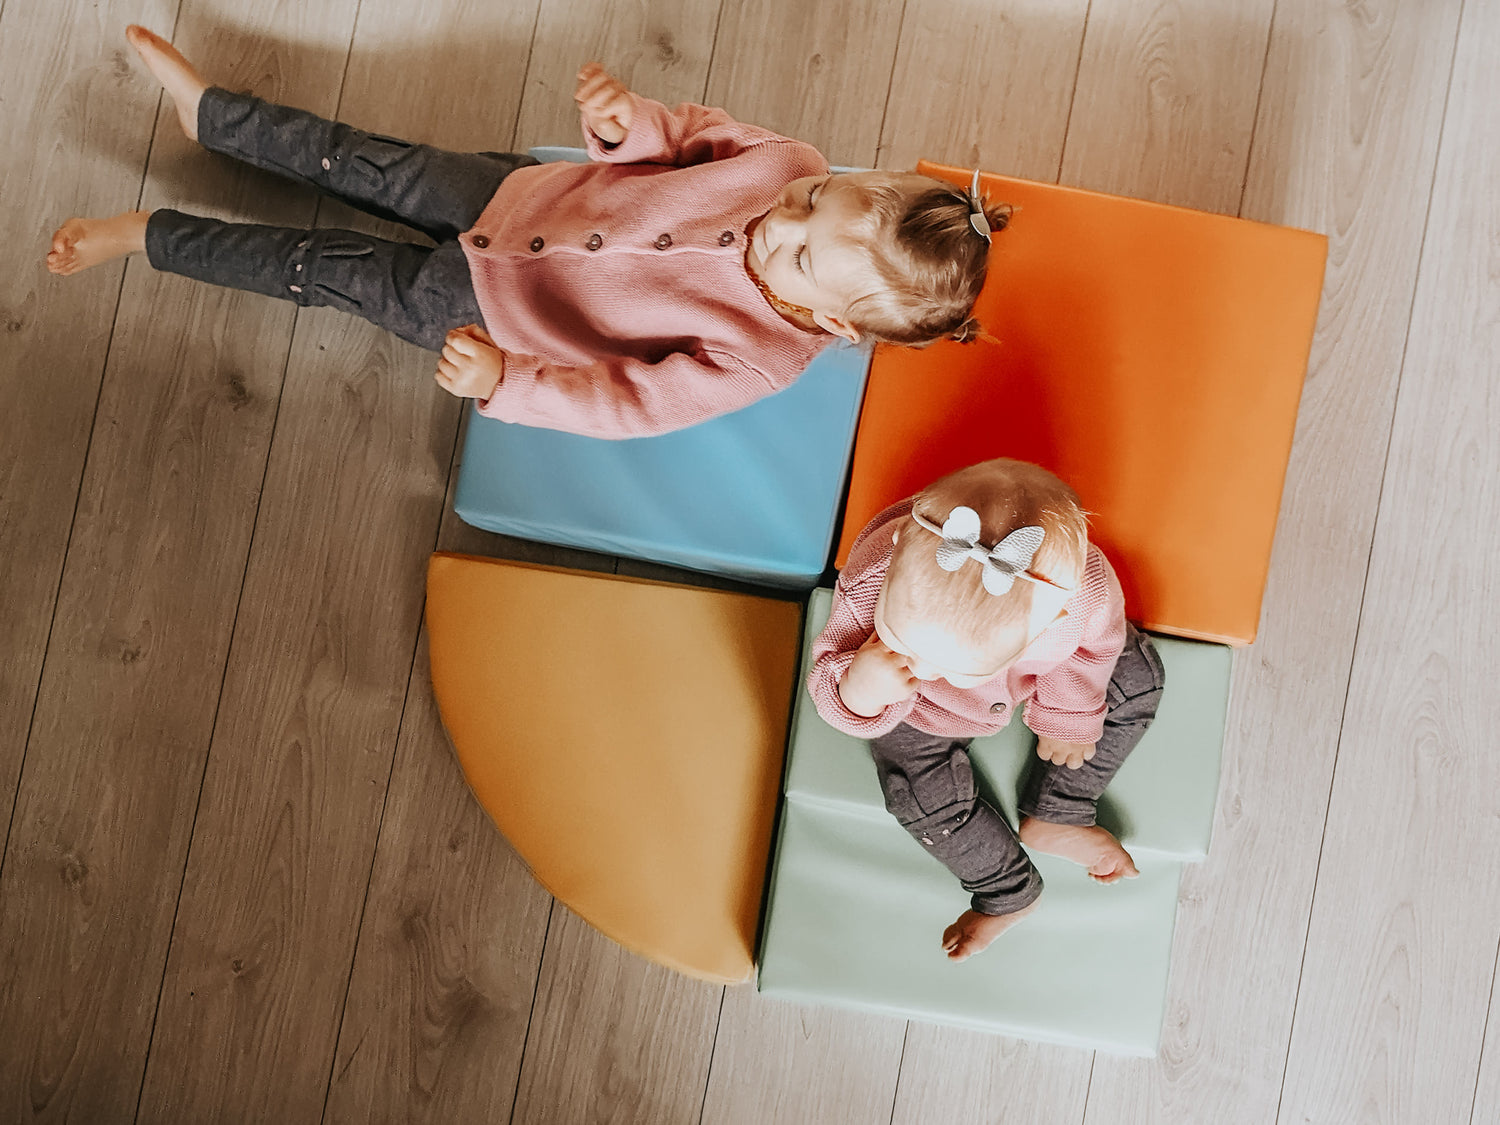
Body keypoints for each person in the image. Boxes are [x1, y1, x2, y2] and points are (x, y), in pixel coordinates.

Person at [46, 27, 1010, 439]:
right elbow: (680, 138)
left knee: (318, 269)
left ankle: (150, 236)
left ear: (839, 324)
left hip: (485, 316)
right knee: (356, 158)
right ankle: (214, 116)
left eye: (799, 255)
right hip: (521, 196)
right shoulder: (787, 163)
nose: (779, 223)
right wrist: (626, 121)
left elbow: (621, 405)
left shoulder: (760, 360)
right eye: (811, 203)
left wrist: (507, 384)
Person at [807, 459, 1166, 961]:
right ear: (896, 552)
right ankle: (1007, 890)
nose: (926, 671)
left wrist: (1070, 713)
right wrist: (858, 688)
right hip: (920, 715)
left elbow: (1094, 650)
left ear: (1054, 617)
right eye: (905, 645)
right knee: (918, 794)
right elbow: (827, 677)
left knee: (1139, 678)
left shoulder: (1079, 593)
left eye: (953, 669)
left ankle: (1060, 809)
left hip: (1039, 671)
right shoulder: (874, 576)